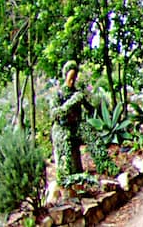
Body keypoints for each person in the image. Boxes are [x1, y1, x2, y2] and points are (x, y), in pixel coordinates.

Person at [50, 60, 87, 194]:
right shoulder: (58, 95)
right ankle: (67, 190)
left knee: (75, 160)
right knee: (65, 161)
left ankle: (79, 187)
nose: (72, 81)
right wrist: (69, 105)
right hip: (61, 132)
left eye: (74, 78)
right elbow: (54, 113)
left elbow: (86, 110)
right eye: (70, 77)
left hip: (74, 131)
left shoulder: (77, 93)